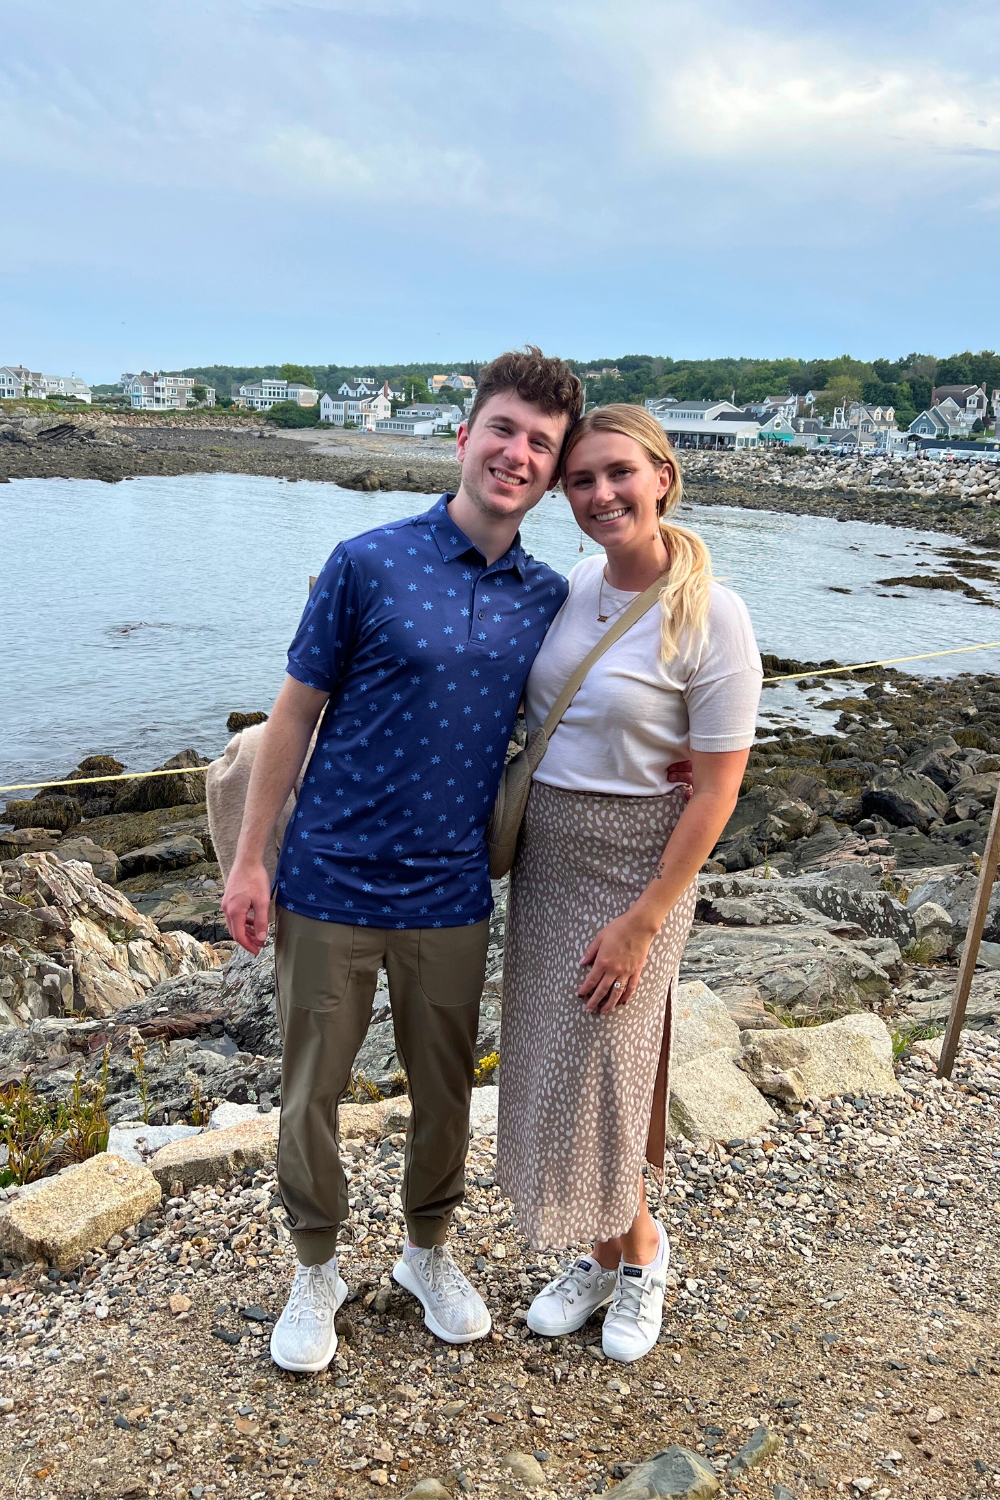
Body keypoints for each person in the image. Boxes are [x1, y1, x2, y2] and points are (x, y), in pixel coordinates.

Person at [221, 347, 583, 1373]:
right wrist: (250, 864)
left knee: (444, 1092)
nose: (517, 454)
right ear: (464, 436)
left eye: (540, 445)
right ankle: (315, 1265)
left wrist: (681, 759)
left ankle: (428, 1251)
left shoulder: (547, 599)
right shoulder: (365, 560)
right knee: (310, 1094)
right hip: (328, 878)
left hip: (451, 894)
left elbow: (601, 699)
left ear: (552, 477)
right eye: (503, 430)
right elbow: (290, 720)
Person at [495, 404, 762, 1363]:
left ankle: (643, 1253)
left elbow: (721, 787)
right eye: (581, 480)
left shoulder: (713, 613)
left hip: (637, 870)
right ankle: (601, 1251)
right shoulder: (573, 587)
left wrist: (647, 919)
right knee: (549, 1059)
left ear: (662, 475)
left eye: (618, 473)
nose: (600, 494)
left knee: (607, 1065)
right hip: (548, 855)